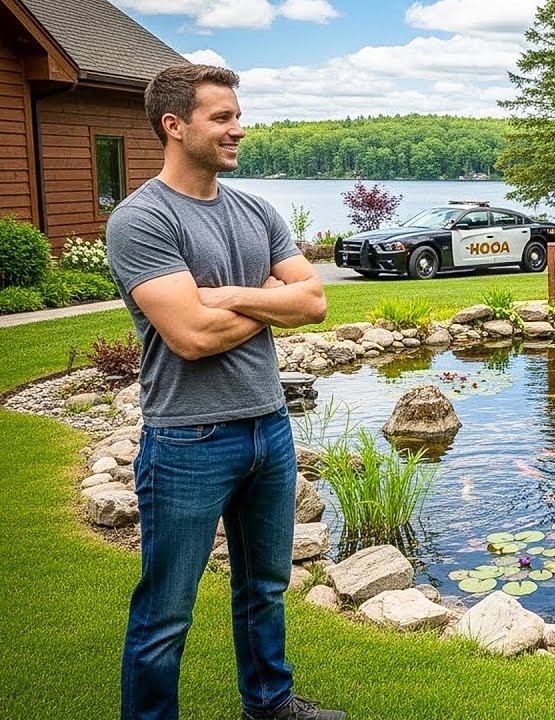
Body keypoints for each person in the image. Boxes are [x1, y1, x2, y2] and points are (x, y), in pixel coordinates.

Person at [106, 64, 342, 720]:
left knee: (263, 589)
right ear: (174, 126)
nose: (238, 128)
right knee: (165, 613)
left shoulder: (255, 211)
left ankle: (268, 704)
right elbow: (191, 336)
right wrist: (271, 300)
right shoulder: (141, 219)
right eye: (222, 117)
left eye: (237, 114)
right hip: (188, 438)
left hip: (269, 425)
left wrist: (234, 295)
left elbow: (316, 301)